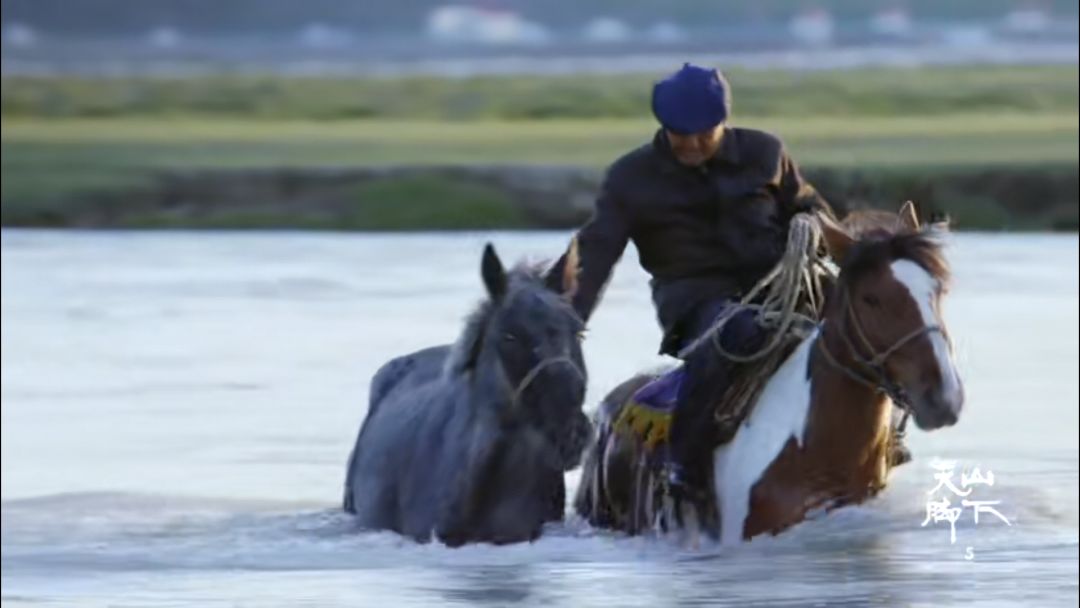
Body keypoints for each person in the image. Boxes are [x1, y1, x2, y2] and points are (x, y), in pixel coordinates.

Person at [550, 63, 835, 498]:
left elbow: (810, 208)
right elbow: (598, 250)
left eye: (707, 132)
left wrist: (822, 233)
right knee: (737, 331)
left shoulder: (765, 153)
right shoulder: (632, 177)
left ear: (724, 121)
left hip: (785, 286)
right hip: (694, 300)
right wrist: (567, 320)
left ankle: (883, 433)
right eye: (683, 134)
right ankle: (687, 463)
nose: (696, 144)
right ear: (664, 127)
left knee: (865, 316)